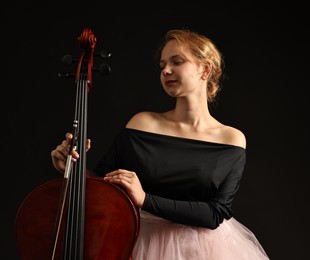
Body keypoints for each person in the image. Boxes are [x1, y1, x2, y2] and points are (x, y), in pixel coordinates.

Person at [51, 28, 269, 260]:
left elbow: (215, 213)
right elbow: (103, 186)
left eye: (177, 61)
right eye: (163, 64)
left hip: (205, 251)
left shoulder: (231, 139)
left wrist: (145, 199)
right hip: (139, 245)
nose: (166, 70)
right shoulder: (143, 124)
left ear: (205, 69)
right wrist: (73, 169)